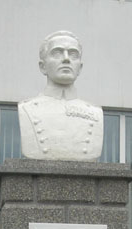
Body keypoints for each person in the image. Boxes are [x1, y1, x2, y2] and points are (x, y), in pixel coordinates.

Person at [18, 30, 103, 161]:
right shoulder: (26, 108)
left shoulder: (95, 112)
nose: (66, 59)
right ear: (42, 67)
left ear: (80, 68)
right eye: (57, 53)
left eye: (73, 54)